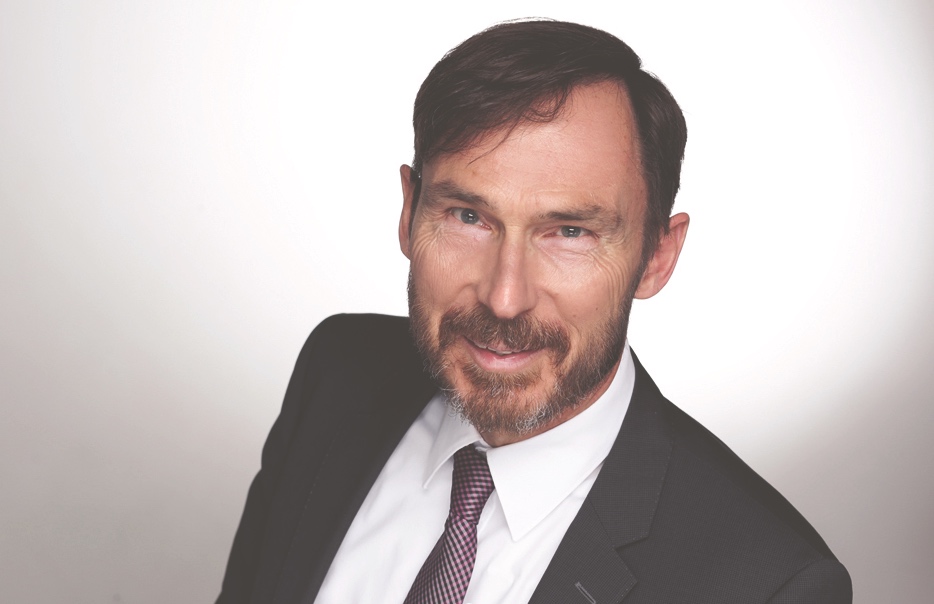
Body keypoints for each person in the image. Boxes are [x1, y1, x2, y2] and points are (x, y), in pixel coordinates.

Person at [217, 20, 852, 604]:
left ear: (657, 256)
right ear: (409, 212)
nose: (505, 298)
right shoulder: (337, 372)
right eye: (468, 216)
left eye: (570, 232)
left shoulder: (768, 583)